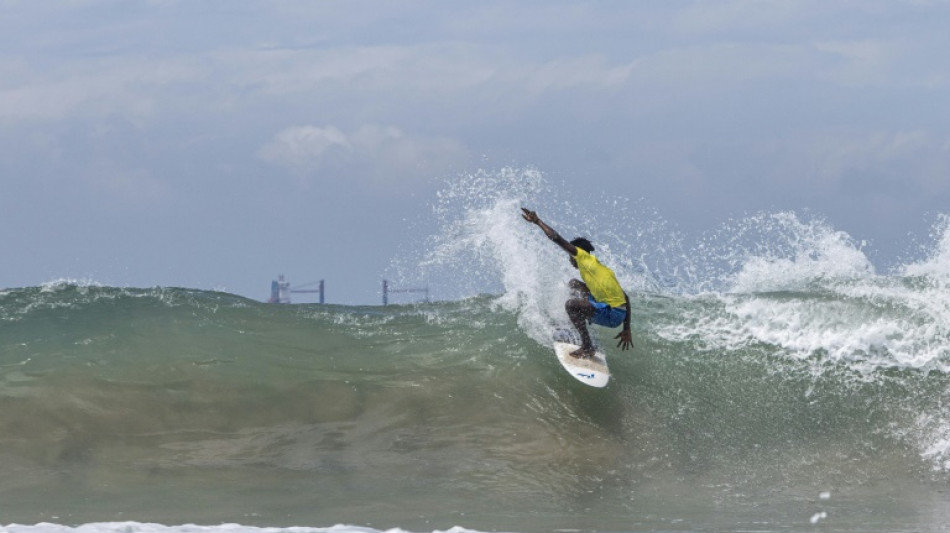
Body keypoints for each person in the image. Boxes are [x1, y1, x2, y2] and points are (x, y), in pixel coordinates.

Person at [521, 207, 633, 359]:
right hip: (617, 312)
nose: (569, 259)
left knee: (571, 305)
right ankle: (579, 322)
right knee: (575, 284)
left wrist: (537, 221)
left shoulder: (583, 258)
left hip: (612, 314)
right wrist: (627, 328)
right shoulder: (598, 268)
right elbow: (625, 297)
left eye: (570, 255)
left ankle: (587, 347)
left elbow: (556, 238)